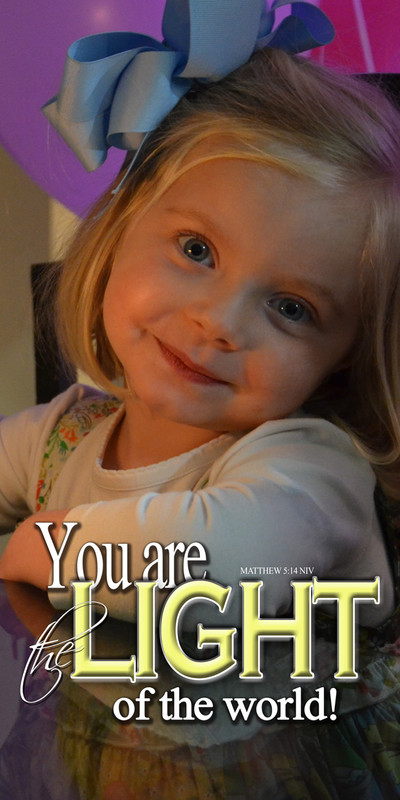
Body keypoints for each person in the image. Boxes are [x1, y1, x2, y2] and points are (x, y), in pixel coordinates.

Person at [0, 3, 400, 796]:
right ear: (118, 227)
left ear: (344, 357)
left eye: (292, 307)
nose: (217, 322)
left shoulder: (309, 468)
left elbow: (212, 569)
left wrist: (40, 549)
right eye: (196, 249)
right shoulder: (67, 432)